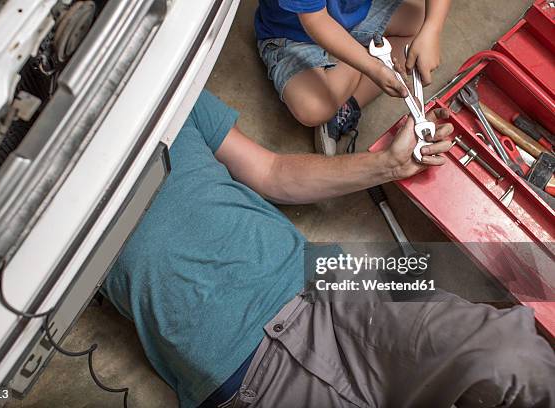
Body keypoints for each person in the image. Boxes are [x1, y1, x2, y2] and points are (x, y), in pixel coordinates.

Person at [102, 91, 555, 408]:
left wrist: (389, 163)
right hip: (240, 368)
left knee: (513, 356)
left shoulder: (166, 86)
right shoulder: (35, 204)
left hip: (330, 273)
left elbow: (272, 171)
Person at [255, 0, 451, 156]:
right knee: (312, 109)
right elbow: (316, 21)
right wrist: (372, 66)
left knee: (420, 23)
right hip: (292, 34)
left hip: (354, 12)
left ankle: (349, 103)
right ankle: (362, 55)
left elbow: (430, 25)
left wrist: (432, 29)